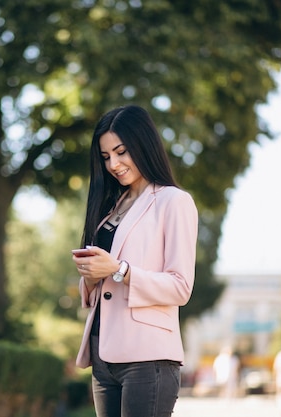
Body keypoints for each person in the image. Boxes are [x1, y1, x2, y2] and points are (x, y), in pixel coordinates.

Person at [72, 105, 199, 417]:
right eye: (105, 157)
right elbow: (99, 287)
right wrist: (90, 275)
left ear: (143, 145)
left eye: (121, 152)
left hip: (148, 358)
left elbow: (180, 287)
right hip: (104, 357)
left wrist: (120, 270)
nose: (113, 164)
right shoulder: (110, 208)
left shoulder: (173, 202)